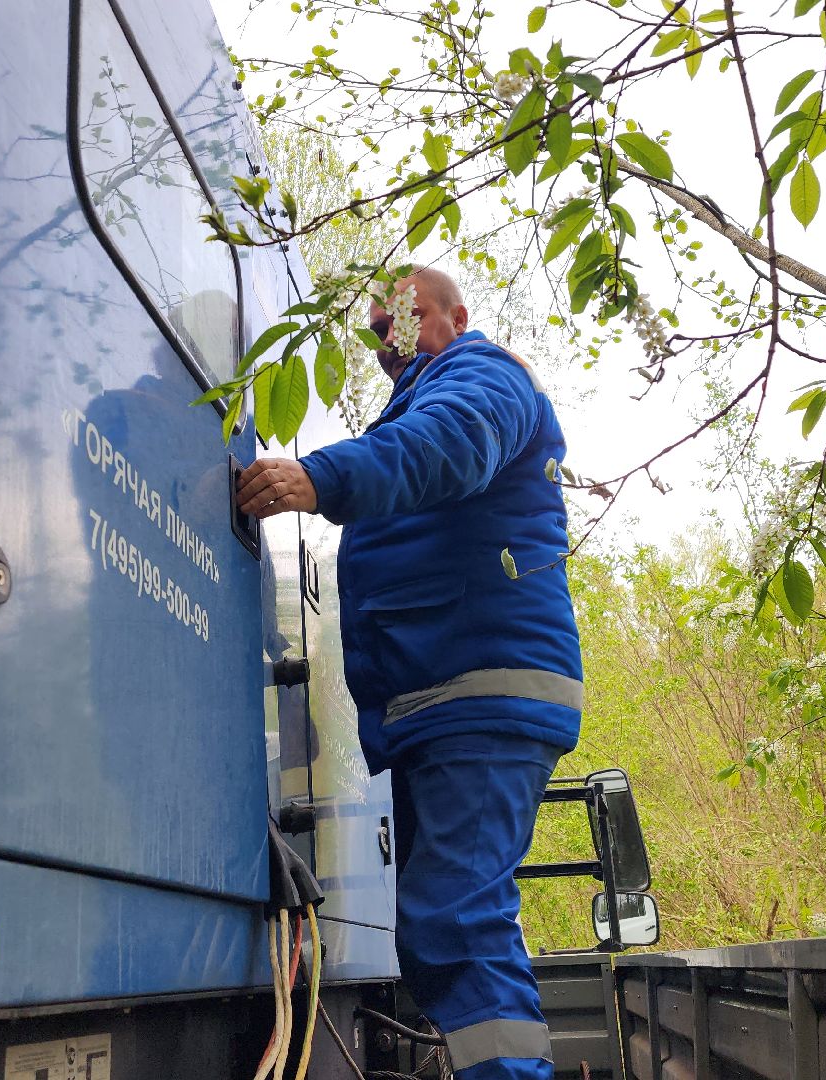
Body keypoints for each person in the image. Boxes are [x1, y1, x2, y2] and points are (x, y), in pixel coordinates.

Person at [236, 268, 581, 1080]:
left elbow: (445, 448)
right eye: (380, 326)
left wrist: (324, 477)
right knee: (443, 929)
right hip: (449, 705)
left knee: (456, 923)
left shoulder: (483, 374)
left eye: (409, 315)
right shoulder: (428, 391)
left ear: (456, 317)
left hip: (483, 696)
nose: (391, 334)